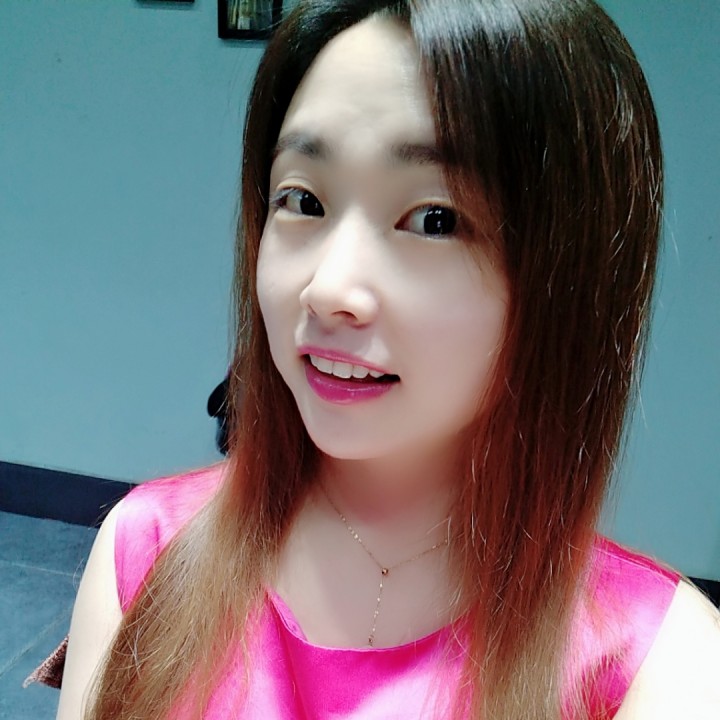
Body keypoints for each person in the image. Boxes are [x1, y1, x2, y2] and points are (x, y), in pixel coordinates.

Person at [56, 1, 720, 718]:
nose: (329, 288)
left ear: (569, 280)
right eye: (302, 200)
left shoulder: (656, 664)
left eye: (434, 219)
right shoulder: (146, 554)